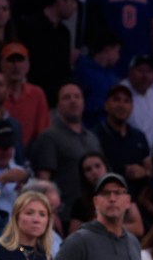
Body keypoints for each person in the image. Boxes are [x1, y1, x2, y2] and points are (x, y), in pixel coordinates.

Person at [31, 84, 102, 217]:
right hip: (65, 214)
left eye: (77, 96)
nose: (73, 101)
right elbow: (43, 181)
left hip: (94, 212)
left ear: (83, 102)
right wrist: (50, 213)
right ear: (58, 105)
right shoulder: (49, 137)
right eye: (66, 97)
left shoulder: (93, 138)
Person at [0, 43, 51, 150]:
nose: (16, 65)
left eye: (20, 60)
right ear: (1, 64)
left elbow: (42, 133)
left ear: (28, 65)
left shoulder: (37, 94)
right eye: (10, 60)